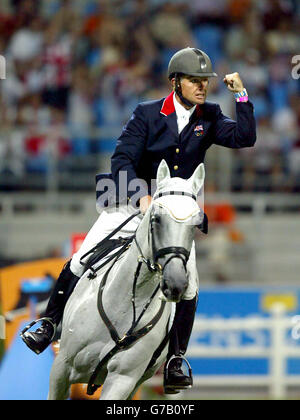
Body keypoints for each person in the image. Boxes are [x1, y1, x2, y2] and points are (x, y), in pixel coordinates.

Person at [22, 47, 256, 393]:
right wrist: (140, 196)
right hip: (131, 203)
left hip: (173, 211)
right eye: (194, 81)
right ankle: (49, 322)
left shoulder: (210, 115)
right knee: (81, 257)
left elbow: (245, 137)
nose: (202, 87)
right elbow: (121, 161)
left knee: (189, 283)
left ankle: (176, 358)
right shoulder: (146, 113)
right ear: (175, 82)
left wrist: (241, 95)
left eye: (204, 81)